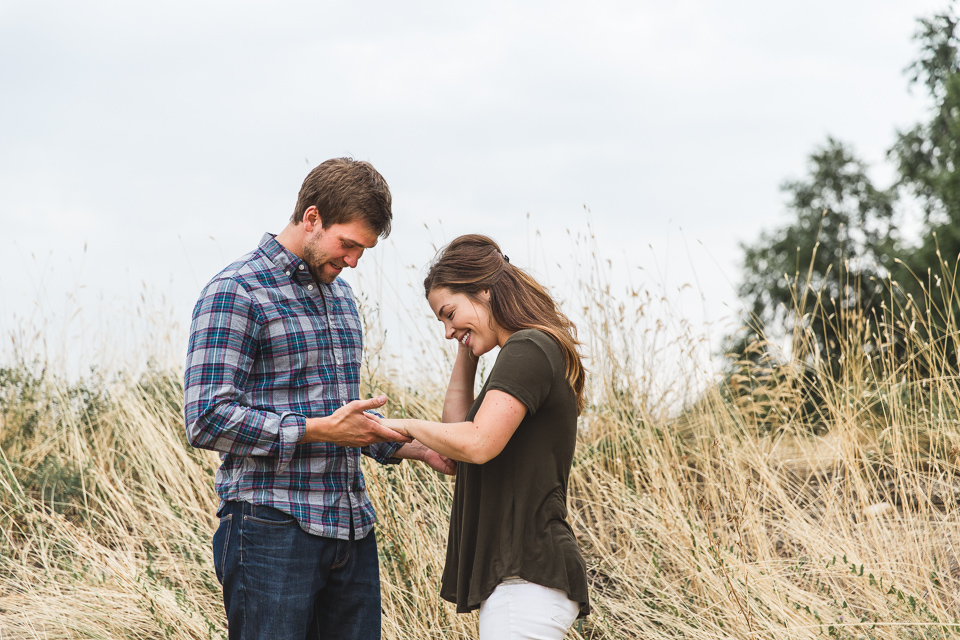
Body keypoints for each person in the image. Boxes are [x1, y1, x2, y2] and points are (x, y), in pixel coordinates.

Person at [183, 157, 454, 640]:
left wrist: (416, 447)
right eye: (347, 244)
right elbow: (205, 417)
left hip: (351, 531)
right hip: (270, 529)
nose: (352, 261)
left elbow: (344, 421)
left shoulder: (343, 300)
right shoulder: (236, 291)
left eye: (362, 252)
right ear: (311, 218)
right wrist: (317, 430)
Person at [375, 234, 590, 639]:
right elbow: (456, 439)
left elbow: (476, 443)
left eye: (449, 313)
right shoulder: (523, 350)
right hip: (523, 583)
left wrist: (405, 426)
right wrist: (466, 346)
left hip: (526, 577)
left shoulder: (528, 348)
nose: (447, 329)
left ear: (485, 292)